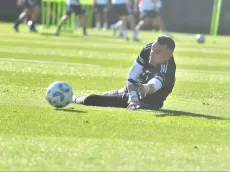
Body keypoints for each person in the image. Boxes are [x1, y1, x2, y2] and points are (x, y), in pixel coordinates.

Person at [72, 36, 176, 110]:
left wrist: (144, 89)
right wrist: (133, 96)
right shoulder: (148, 49)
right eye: (153, 48)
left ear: (167, 57)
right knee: (105, 94)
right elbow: (133, 73)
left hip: (147, 102)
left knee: (91, 99)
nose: (151, 53)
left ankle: (72, 98)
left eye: (156, 52)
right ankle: (124, 94)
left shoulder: (168, 67)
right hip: (131, 92)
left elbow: (155, 84)